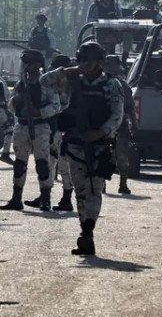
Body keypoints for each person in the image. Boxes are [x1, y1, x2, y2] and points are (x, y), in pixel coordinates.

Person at [41, 42, 124, 255]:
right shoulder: (71, 82)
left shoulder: (111, 84)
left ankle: (87, 232)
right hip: (76, 146)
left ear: (100, 62)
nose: (86, 64)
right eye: (82, 59)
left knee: (95, 189)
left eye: (90, 60)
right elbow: (44, 81)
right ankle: (85, 231)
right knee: (80, 192)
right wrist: (69, 70)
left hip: (100, 146)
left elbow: (117, 115)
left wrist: (99, 133)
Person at [1, 50, 60, 211]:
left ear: (39, 64)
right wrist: (17, 101)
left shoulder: (45, 83)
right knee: (19, 163)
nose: (28, 66)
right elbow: (10, 105)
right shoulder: (21, 83)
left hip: (40, 126)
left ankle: (45, 198)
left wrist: (38, 112)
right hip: (22, 125)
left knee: (42, 163)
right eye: (26, 62)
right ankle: (16, 198)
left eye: (32, 62)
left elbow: (56, 105)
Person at [24, 55, 74, 211]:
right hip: (58, 126)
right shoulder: (69, 82)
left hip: (61, 126)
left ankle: (65, 198)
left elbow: (60, 105)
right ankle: (46, 196)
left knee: (61, 163)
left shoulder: (63, 83)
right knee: (51, 162)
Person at [103, 55, 137, 194]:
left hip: (120, 125)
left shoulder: (123, 85)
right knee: (103, 154)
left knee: (122, 156)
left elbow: (130, 106)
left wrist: (134, 123)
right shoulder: (100, 82)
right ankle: (102, 182)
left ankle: (123, 183)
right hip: (103, 125)